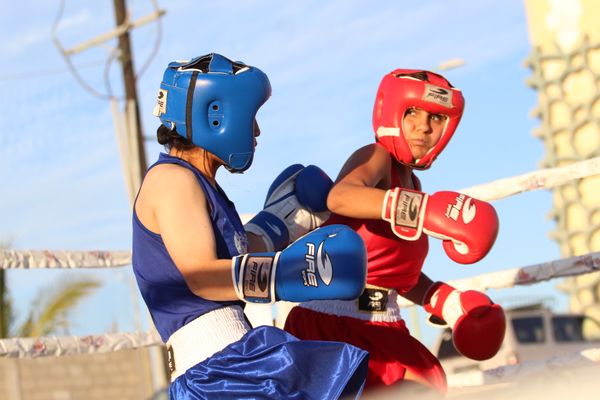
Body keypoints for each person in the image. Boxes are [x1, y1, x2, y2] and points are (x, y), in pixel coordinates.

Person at [132, 53, 370, 400]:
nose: (256, 130)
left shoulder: (199, 184)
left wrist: (282, 222)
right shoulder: (172, 180)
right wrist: (288, 274)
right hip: (217, 373)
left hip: (236, 360)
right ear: (215, 115)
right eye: (251, 117)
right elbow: (202, 276)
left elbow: (240, 252)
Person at [284, 69, 506, 395]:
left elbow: (393, 271)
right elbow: (341, 196)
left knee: (428, 382)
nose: (424, 126)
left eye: (436, 117)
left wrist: (444, 301)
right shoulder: (376, 157)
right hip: (334, 323)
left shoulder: (412, 183)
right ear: (391, 112)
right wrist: (421, 210)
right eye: (413, 112)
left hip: (383, 322)